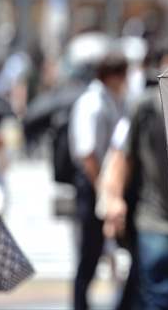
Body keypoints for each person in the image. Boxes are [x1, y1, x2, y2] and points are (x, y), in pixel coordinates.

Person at [102, 37, 168, 310]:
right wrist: (113, 198)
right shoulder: (144, 106)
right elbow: (121, 156)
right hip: (154, 220)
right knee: (159, 299)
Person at [68, 53, 128, 310]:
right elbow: (87, 153)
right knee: (89, 253)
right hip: (93, 183)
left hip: (102, 181)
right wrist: (101, 188)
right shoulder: (92, 103)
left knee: (99, 250)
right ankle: (80, 305)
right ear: (114, 76)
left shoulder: (108, 100)